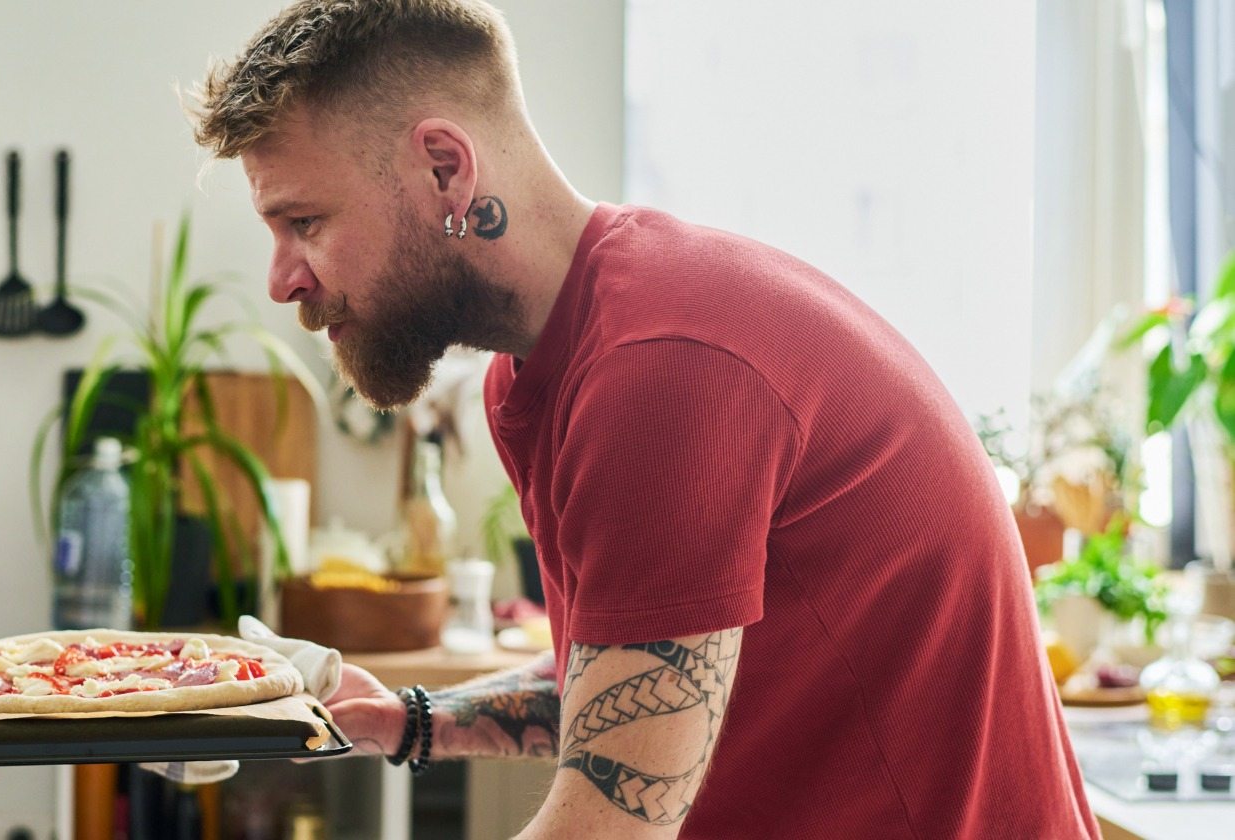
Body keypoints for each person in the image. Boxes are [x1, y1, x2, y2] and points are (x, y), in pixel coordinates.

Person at [190, 1, 1099, 838]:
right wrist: (405, 719)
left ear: (445, 168)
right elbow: (643, 680)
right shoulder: (544, 369)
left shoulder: (661, 366)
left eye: (304, 222)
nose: (283, 279)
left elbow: (611, 819)